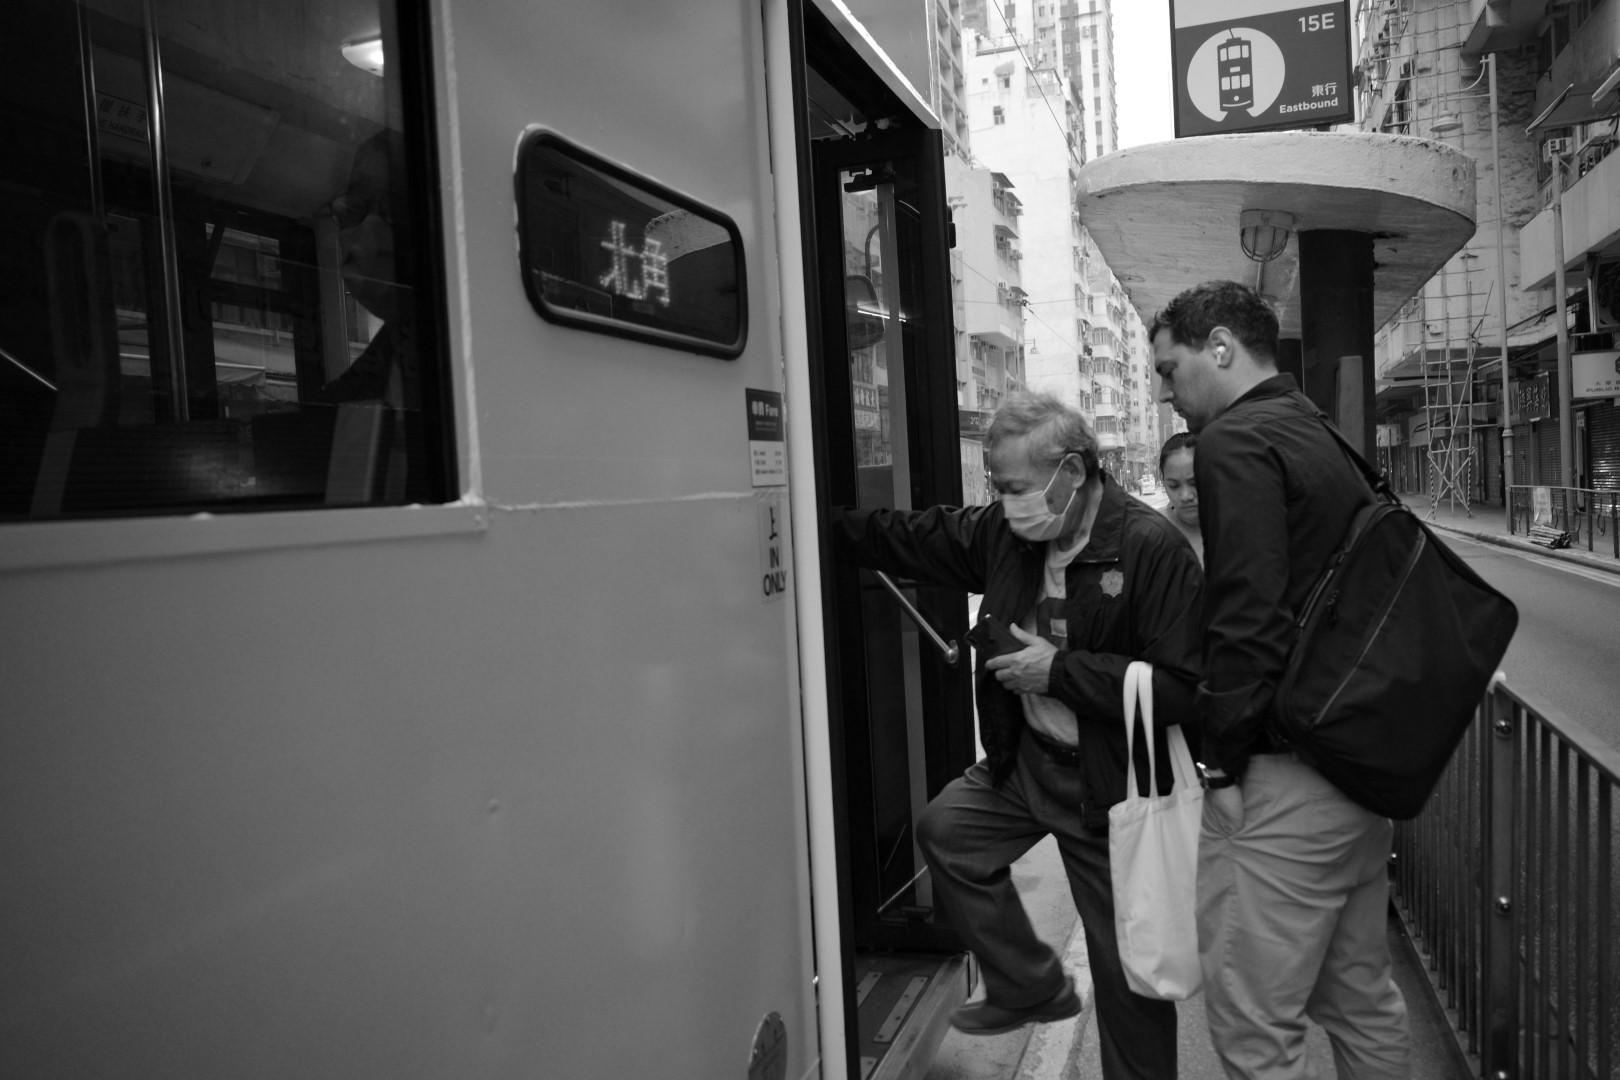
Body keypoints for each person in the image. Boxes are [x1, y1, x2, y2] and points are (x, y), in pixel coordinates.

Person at [830, 391, 1202, 1080]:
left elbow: (1182, 687)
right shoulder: (1006, 535)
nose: (1005, 504)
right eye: (997, 489)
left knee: (1128, 979)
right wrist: (813, 521)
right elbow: (916, 535)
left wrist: (1056, 672)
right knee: (948, 832)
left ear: (1071, 472)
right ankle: (1029, 983)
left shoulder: (1150, 549)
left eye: (1015, 488)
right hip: (1024, 765)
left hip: (1109, 787)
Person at [1149, 281, 1410, 1079]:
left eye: (1171, 369)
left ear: (1220, 347)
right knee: (1361, 1000)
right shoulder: (1317, 430)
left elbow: (1246, 617)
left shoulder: (1234, 440)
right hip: (1356, 774)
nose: (1166, 393)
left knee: (1256, 1030)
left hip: (1282, 787)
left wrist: (1221, 763)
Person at [1157, 432, 1202, 565]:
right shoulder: (1151, 531)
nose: (1185, 496)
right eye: (1174, 486)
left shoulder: (1235, 526)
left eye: (1194, 483)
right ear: (1164, 483)